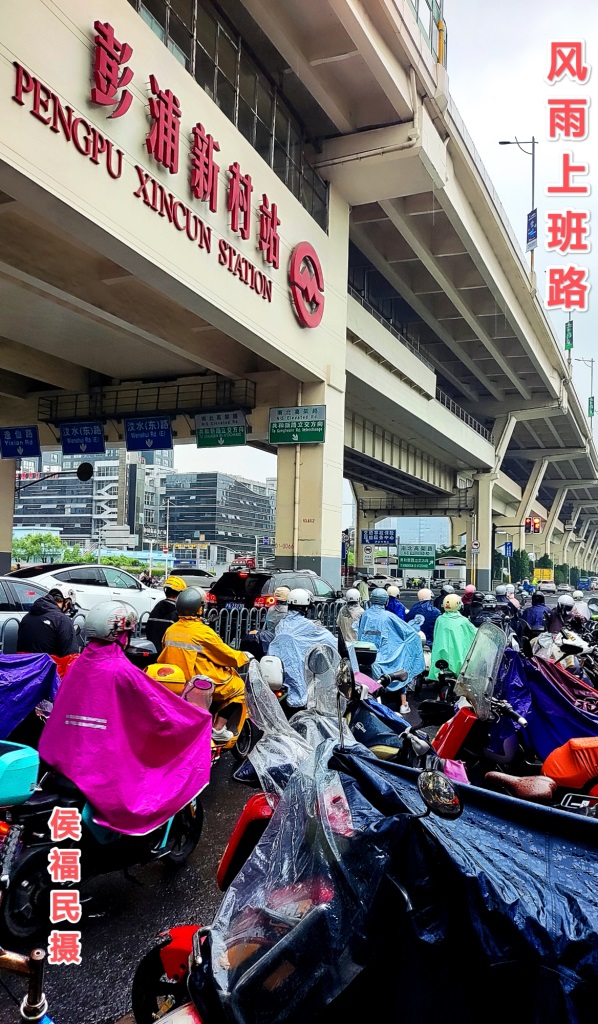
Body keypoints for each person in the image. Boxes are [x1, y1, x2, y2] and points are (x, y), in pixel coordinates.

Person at [38, 600, 211, 835]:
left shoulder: (78, 664)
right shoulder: (122, 671)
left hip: (66, 755)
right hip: (100, 761)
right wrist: (194, 718)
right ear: (122, 634)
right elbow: (159, 711)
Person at [159, 588, 248, 744]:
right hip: (198, 684)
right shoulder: (203, 632)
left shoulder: (170, 630)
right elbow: (226, 656)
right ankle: (219, 729)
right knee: (240, 687)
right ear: (199, 608)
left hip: (176, 682)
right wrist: (244, 657)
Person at [357, 588, 425, 715]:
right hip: (385, 656)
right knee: (401, 665)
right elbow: (408, 633)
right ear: (386, 602)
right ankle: (403, 704)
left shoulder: (365, 614)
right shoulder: (389, 616)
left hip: (367, 655)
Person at [269, 588, 337, 710]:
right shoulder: (309, 626)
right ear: (306, 608)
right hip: (298, 674)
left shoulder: (282, 624)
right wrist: (346, 646)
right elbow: (329, 639)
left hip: (279, 672)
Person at [17, 584, 79, 658]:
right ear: (66, 603)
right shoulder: (62, 620)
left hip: (26, 667)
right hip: (49, 668)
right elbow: (70, 656)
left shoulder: (27, 617)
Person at [428, 593, 477, 681]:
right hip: (457, 655)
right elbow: (473, 633)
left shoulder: (440, 619)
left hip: (441, 654)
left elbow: (435, 635)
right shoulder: (463, 621)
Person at [145, 575, 187, 653]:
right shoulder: (178, 613)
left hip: (152, 651)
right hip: (168, 654)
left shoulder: (156, 608)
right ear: (180, 594)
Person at [336, 588, 363, 656]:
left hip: (343, 644)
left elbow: (338, 624)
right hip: (356, 645)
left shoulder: (342, 610)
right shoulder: (361, 612)